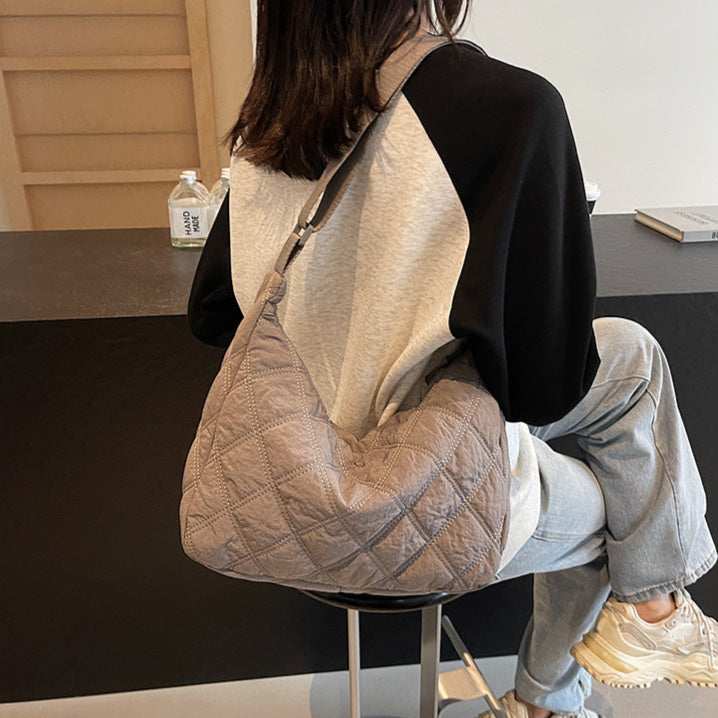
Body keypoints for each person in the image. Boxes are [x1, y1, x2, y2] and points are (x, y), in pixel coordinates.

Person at [186, 3, 718, 717]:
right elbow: (541, 387)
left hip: (288, 473)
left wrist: (355, 324)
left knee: (632, 352)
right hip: (423, 490)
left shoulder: (268, 126)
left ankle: (648, 617)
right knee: (625, 501)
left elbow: (213, 313)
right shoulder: (511, 106)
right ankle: (560, 690)